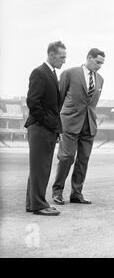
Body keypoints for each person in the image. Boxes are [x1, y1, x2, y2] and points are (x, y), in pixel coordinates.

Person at [52, 48, 105, 205]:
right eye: (97, 62)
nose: (100, 66)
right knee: (66, 157)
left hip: (89, 125)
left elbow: (91, 104)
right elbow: (58, 100)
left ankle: (76, 193)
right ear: (89, 58)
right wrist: (57, 124)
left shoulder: (100, 79)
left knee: (83, 160)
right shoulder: (69, 73)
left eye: (102, 63)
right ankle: (57, 192)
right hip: (69, 123)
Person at [25, 41, 66, 215]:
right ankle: (39, 205)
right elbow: (33, 102)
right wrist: (49, 123)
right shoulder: (40, 73)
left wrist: (56, 129)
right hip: (40, 128)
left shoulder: (51, 73)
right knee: (40, 168)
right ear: (51, 54)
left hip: (47, 128)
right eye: (62, 56)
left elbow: (52, 106)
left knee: (39, 168)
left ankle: (32, 203)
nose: (64, 60)